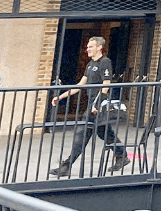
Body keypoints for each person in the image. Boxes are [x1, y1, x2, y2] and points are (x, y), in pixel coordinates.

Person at [51, 36, 128, 177]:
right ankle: (122, 156)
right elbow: (80, 85)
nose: (87, 49)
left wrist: (96, 105)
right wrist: (61, 96)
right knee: (104, 132)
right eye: (87, 47)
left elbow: (106, 86)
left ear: (99, 47)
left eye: (90, 47)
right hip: (93, 106)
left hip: (98, 107)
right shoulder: (90, 64)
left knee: (82, 134)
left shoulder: (105, 62)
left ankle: (66, 166)